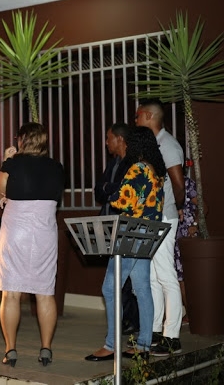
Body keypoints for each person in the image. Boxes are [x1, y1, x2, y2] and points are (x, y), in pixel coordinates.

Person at [86, 126, 165, 361]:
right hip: (147, 232)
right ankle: (143, 345)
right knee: (142, 288)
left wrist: (112, 193)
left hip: (131, 231)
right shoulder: (155, 170)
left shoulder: (137, 168)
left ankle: (112, 344)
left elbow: (122, 201)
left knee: (110, 288)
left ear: (136, 144)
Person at [0, 122, 65, 367]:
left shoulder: (13, 164)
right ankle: (46, 349)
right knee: (44, 292)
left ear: (22, 140)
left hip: (16, 230)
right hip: (44, 231)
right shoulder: (56, 167)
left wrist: (6, 160)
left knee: (11, 293)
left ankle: (10, 350)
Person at [135, 99, 184, 356]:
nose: (135, 121)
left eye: (137, 117)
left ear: (147, 116)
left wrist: (176, 207)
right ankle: (154, 329)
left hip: (164, 216)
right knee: (153, 277)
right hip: (152, 216)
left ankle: (172, 335)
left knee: (166, 275)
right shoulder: (153, 145)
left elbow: (178, 183)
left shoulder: (168, 145)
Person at [94, 123, 140, 335]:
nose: (106, 143)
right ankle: (122, 320)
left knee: (127, 277)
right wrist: (109, 189)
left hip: (126, 224)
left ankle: (131, 320)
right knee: (117, 275)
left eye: (108, 138)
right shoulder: (113, 163)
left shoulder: (133, 162)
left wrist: (109, 189)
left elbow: (123, 191)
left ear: (120, 139)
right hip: (109, 223)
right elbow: (99, 190)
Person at [173, 160, 204, 326]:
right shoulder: (165, 183)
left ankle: (192, 315)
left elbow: (204, 207)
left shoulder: (187, 184)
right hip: (171, 236)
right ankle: (186, 314)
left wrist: (195, 225)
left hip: (187, 237)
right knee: (177, 279)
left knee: (184, 278)